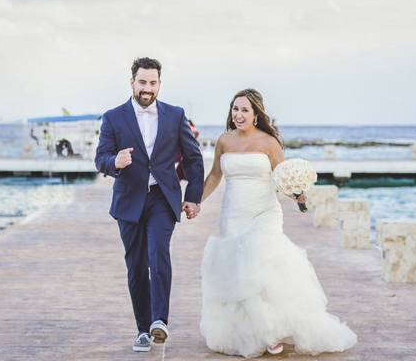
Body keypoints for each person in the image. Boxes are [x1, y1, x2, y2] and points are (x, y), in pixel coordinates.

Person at [199, 88, 357, 357]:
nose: (238, 115)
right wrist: (195, 200)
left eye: (245, 110)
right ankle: (252, 332)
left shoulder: (269, 143)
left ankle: (271, 332)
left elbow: (283, 178)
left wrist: (298, 195)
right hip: (233, 214)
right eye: (235, 109)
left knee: (261, 267)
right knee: (239, 271)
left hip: (264, 213)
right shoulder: (224, 141)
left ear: (256, 114)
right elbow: (215, 175)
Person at [94, 57, 205, 353]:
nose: (147, 88)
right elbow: (100, 158)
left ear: (159, 84)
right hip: (129, 201)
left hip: (161, 198)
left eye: (153, 83)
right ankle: (142, 329)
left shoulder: (175, 115)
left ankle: (159, 322)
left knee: (158, 253)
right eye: (142, 82)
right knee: (135, 265)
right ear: (132, 82)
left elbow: (194, 158)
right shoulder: (113, 117)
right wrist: (115, 162)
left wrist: (193, 196)